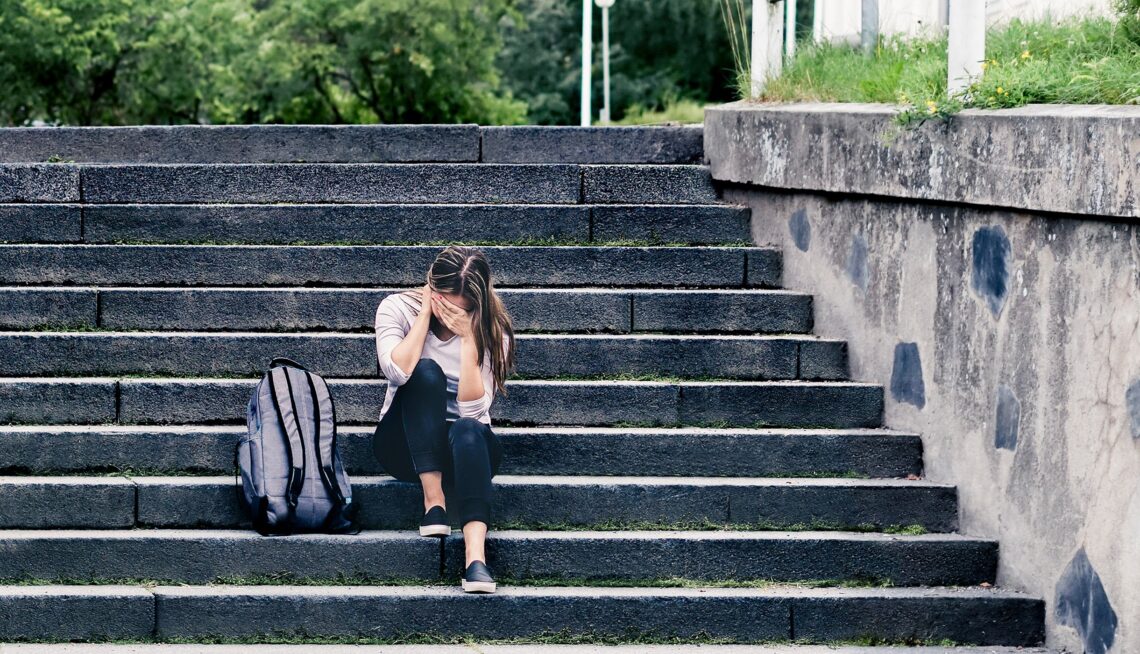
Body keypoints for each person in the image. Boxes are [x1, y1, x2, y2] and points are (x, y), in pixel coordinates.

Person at [371, 245, 516, 593]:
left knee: (468, 428)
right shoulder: (396, 308)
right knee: (425, 372)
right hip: (404, 445)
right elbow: (397, 370)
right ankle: (433, 503)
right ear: (431, 287)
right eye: (443, 301)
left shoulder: (494, 331)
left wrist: (469, 340)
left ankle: (476, 558)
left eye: (460, 308)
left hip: (466, 450)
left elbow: (473, 412)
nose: (449, 313)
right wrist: (423, 315)